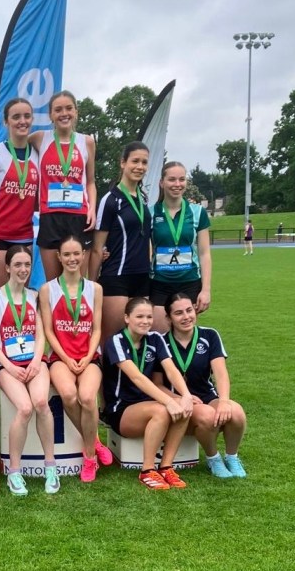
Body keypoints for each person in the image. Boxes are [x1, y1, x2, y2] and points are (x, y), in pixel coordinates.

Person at [0, 90, 97, 280]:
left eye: (69, 108)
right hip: (49, 219)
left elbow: (91, 181)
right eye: (58, 110)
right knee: (53, 285)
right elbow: (15, 142)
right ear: (50, 115)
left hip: (79, 217)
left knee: (77, 284)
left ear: (76, 111)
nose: (64, 113)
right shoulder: (39, 138)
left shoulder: (87, 142)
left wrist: (92, 208)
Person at [0, 246, 60, 496]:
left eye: (27, 264)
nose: (23, 269)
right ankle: (14, 471)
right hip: (6, 365)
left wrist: (37, 360)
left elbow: (41, 334)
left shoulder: (34, 296)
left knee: (41, 403)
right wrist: (9, 366)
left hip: (34, 361)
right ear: (7, 267)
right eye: (17, 264)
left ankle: (51, 466)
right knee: (25, 408)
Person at [39, 234, 112, 483]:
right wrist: (66, 358)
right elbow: (49, 331)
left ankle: (89, 457)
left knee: (88, 398)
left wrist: (89, 355)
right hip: (61, 357)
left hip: (89, 355)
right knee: (69, 395)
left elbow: (97, 329)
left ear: (83, 255)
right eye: (67, 254)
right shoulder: (48, 289)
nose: (72, 258)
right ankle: (95, 443)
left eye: (76, 254)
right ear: (59, 257)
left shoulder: (95, 289)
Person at [102, 297, 193, 489]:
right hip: (122, 409)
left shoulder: (155, 338)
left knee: (184, 406)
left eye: (149, 317)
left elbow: (171, 370)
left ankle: (166, 467)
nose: (145, 321)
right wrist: (168, 401)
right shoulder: (116, 341)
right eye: (139, 316)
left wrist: (185, 395)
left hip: (148, 403)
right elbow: (137, 378)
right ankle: (147, 470)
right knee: (162, 410)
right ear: (127, 318)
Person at [157, 293, 247, 478]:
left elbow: (221, 373)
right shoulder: (161, 342)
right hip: (179, 401)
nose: (186, 317)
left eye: (189, 310)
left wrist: (223, 401)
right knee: (207, 416)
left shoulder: (209, 335)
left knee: (236, 413)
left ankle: (232, 457)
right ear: (169, 318)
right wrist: (179, 398)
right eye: (179, 313)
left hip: (207, 395)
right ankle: (213, 459)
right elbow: (157, 385)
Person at [89, 141, 151, 345]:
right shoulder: (110, 200)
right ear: (123, 163)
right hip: (116, 277)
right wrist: (92, 287)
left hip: (142, 278)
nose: (139, 166)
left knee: (138, 342)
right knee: (112, 342)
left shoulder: (143, 199)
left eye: (144, 162)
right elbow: (97, 248)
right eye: (135, 161)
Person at [0, 98, 39, 290]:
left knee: (20, 296)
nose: (22, 121)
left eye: (27, 116)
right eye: (16, 117)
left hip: (24, 236)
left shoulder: (38, 153)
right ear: (6, 121)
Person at [149, 162, 211, 333]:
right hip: (159, 283)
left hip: (189, 282)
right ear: (162, 182)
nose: (177, 184)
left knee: (185, 336)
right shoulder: (151, 213)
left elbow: (204, 253)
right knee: (160, 336)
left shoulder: (198, 212)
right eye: (172, 179)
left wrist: (206, 290)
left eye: (182, 179)